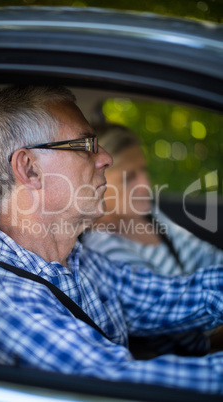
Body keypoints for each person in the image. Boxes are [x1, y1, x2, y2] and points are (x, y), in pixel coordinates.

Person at [0, 85, 223, 395]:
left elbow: (169, 296)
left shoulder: (71, 257)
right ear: (30, 169)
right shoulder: (1, 300)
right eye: (85, 145)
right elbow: (120, 386)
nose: (105, 158)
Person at [81, 124, 223, 356]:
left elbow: (209, 256)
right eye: (129, 178)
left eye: (144, 171)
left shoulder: (150, 216)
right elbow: (184, 336)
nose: (145, 185)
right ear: (95, 184)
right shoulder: (104, 251)